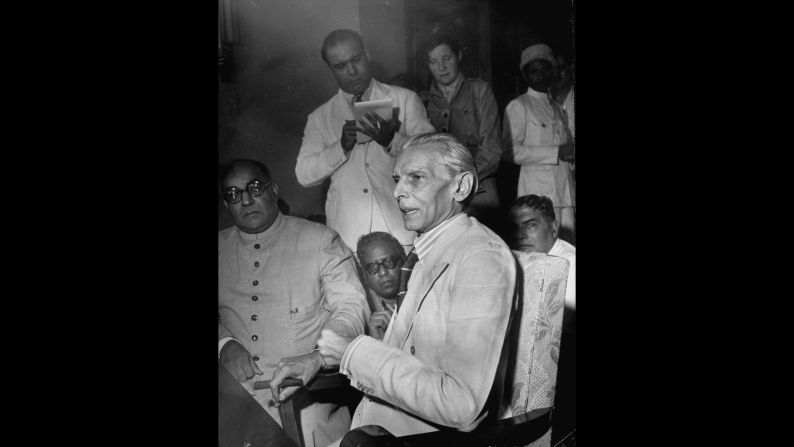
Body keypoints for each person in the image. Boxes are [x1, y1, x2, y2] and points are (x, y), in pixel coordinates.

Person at [315, 132, 516, 440]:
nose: (397, 191)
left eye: (416, 178)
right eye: (397, 178)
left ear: (460, 186)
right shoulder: (427, 250)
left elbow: (461, 405)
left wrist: (354, 353)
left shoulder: (481, 257)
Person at [218, 159, 370, 447]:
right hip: (232, 409)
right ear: (227, 204)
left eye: (254, 187)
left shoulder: (321, 240)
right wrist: (223, 344)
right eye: (234, 194)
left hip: (306, 406)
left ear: (273, 189)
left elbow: (352, 308)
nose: (246, 200)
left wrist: (318, 357)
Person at [295, 29, 435, 253]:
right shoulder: (320, 117)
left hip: (402, 230)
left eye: (356, 60)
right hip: (348, 237)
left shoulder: (405, 99)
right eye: (340, 66)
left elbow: (433, 157)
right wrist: (341, 147)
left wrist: (392, 140)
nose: (351, 72)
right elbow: (304, 174)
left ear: (367, 55)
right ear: (330, 69)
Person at [420, 28, 503, 232]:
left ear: (459, 55)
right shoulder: (422, 100)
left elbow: (492, 152)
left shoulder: (480, 91)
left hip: (480, 193)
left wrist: (456, 182)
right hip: (438, 198)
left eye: (446, 58)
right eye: (433, 62)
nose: (442, 67)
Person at [503, 43, 576, 243]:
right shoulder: (519, 105)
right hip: (537, 194)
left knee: (568, 248)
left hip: (565, 193)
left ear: (552, 71)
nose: (540, 76)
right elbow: (510, 151)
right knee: (540, 250)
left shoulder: (557, 108)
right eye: (534, 71)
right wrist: (556, 152)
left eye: (545, 70)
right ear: (526, 75)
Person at [509, 194, 575, 311]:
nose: (520, 234)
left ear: (554, 228)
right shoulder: (519, 257)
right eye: (515, 227)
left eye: (531, 225)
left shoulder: (570, 266)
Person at [355, 231, 404, 340]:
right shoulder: (359, 312)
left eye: (389, 261)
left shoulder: (424, 294)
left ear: (403, 262)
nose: (383, 272)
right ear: (364, 275)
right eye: (372, 267)